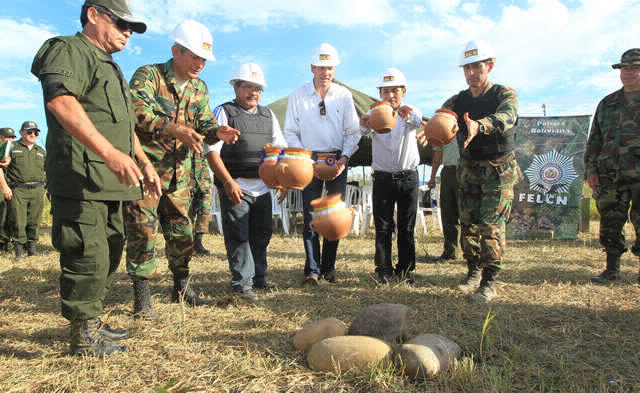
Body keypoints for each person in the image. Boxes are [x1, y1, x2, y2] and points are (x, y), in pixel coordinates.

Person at [31, 0, 161, 356]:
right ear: (93, 14)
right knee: (85, 253)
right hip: (81, 176)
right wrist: (108, 152)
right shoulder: (68, 49)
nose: (127, 33)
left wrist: (143, 160)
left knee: (109, 251)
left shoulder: (113, 68)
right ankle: (82, 335)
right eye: (121, 23)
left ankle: (94, 321)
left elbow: (125, 126)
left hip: (110, 182)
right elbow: (61, 103)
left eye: (131, 28)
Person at [125, 19, 240, 319]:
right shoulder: (149, 75)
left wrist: (218, 132)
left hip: (180, 174)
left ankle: (181, 288)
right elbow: (137, 113)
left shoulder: (199, 88)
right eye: (194, 56)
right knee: (142, 232)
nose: (200, 64)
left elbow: (203, 124)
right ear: (176, 51)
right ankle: (142, 299)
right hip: (146, 171)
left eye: (204, 59)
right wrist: (174, 129)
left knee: (182, 233)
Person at [419, 39, 520, 302]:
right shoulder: (457, 100)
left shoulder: (503, 94)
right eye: (466, 68)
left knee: (491, 227)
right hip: (468, 169)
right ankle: (473, 272)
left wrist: (480, 125)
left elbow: (507, 117)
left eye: (477, 67)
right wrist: (428, 129)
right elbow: (441, 119)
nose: (471, 73)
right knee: (469, 225)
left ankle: (489, 281)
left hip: (498, 171)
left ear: (490, 66)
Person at [207, 62, 287, 301]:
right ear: (236, 87)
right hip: (236, 186)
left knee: (261, 234)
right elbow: (210, 151)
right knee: (238, 236)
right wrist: (228, 182)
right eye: (249, 87)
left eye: (258, 88)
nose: (254, 92)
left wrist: (281, 180)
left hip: (262, 187)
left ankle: (259, 279)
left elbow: (278, 148)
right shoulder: (224, 112)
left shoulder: (268, 114)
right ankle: (242, 284)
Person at [284, 43, 360, 285]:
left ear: (334, 69)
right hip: (309, 159)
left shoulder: (344, 95)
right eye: (320, 67)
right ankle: (312, 271)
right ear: (312, 68)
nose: (325, 72)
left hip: (338, 158)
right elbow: (290, 132)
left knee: (333, 217)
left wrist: (344, 157)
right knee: (310, 216)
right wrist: (307, 159)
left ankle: (329, 268)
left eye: (330, 68)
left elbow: (353, 131)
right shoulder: (298, 95)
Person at [359, 68, 422, 284]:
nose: (390, 96)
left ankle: (405, 270)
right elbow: (362, 130)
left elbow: (417, 121)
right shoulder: (373, 113)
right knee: (383, 227)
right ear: (380, 94)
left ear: (404, 91)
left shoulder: (411, 111)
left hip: (409, 178)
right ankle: (383, 269)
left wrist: (409, 114)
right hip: (383, 178)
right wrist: (363, 123)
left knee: (406, 227)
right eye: (385, 91)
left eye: (395, 90)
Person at [585, 48, 640, 284]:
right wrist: (592, 170)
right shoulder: (607, 103)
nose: (629, 73)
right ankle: (612, 269)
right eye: (625, 68)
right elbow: (594, 139)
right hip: (610, 175)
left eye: (635, 68)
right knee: (609, 223)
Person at [4, 121, 47, 260]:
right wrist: (5, 186)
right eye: (29, 132)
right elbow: (2, 164)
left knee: (34, 220)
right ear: (21, 132)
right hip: (18, 189)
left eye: (36, 132)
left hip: (38, 189)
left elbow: (47, 170)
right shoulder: (12, 147)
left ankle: (32, 249)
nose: (33, 135)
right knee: (18, 220)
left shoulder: (40, 151)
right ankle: (19, 250)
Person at [427, 138, 462, 262]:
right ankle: (450, 252)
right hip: (448, 171)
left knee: (466, 214)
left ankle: (472, 255)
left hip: (466, 170)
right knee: (448, 213)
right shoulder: (445, 127)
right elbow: (438, 154)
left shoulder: (470, 126)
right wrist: (432, 177)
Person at [189, 150, 213, 255]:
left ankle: (198, 242)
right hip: (186, 176)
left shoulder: (204, 135)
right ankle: (187, 243)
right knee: (187, 211)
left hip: (203, 176)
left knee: (205, 208)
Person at [0, 127, 16, 252]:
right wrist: (4, 186)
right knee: (3, 212)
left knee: (8, 213)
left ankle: (6, 241)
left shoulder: (11, 148)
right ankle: (2, 243)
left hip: (10, 184)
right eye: (8, 137)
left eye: (12, 137)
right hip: (2, 185)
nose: (10, 140)